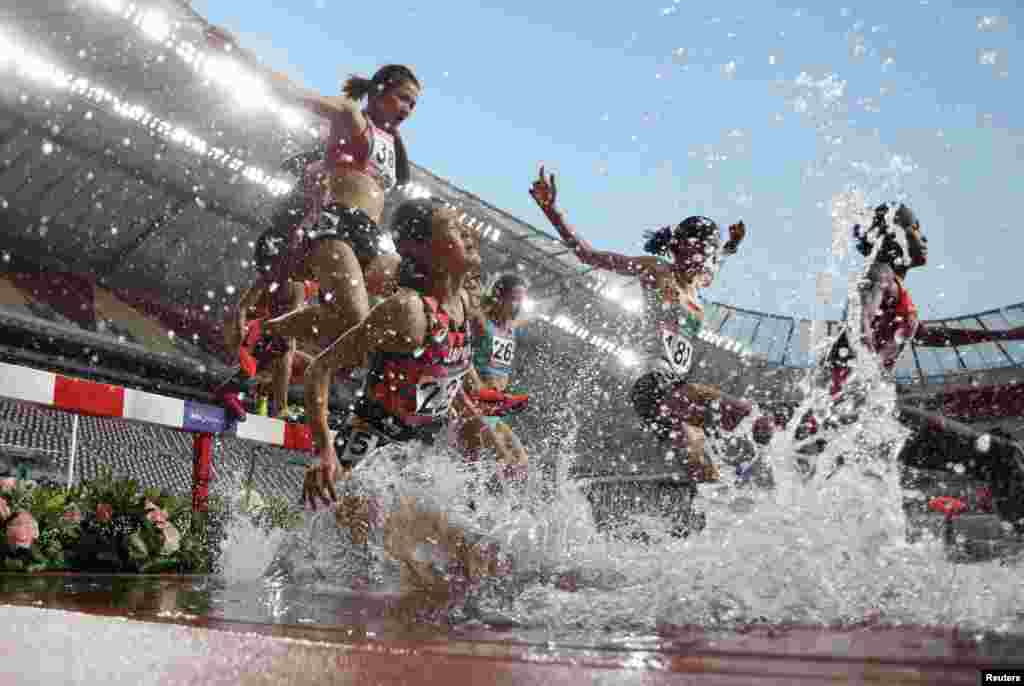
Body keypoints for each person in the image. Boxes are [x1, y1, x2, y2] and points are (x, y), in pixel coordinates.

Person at [300, 197, 518, 594]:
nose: (469, 234)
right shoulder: (408, 311)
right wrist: (324, 451)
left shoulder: (464, 305)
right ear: (419, 249)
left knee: (477, 564)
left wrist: (489, 435)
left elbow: (446, 384)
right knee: (398, 580)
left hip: (415, 460)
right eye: (453, 227)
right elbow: (319, 369)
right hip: (366, 463)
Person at [528, 166, 775, 482]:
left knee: (707, 477)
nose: (697, 261)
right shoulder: (657, 270)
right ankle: (752, 469)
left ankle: (724, 501)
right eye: (691, 251)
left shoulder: (700, 280)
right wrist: (552, 211)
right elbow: (588, 256)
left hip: (673, 388)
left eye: (704, 254)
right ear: (678, 247)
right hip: (654, 385)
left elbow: (716, 264)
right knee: (746, 418)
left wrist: (732, 247)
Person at [457, 273, 531, 467]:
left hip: (494, 405)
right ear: (500, 297)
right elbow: (460, 353)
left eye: (521, 301)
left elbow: (528, 318)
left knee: (522, 462)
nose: (517, 306)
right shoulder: (481, 322)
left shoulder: (512, 328)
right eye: (514, 299)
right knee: (500, 457)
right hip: (472, 400)